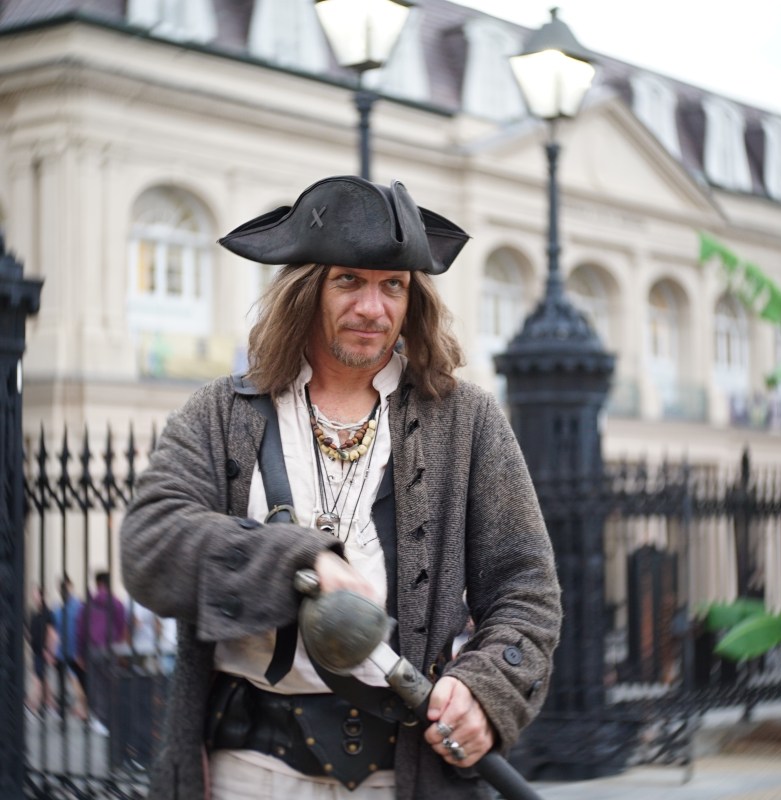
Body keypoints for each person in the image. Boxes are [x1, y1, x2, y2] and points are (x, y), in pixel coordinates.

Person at [121, 175, 562, 800]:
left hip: (403, 774)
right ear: (306, 291)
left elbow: (527, 590)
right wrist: (301, 563)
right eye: (348, 280)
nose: (373, 308)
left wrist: (485, 687)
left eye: (394, 285)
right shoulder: (219, 414)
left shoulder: (468, 421)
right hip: (250, 773)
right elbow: (149, 545)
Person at [76, 570, 127, 735]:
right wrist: (118, 644)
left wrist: (79, 653)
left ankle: (98, 719)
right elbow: (121, 626)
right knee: (111, 683)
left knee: (95, 684)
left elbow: (80, 630)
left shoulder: (88, 604)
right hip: (110, 648)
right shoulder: (117, 603)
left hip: (91, 648)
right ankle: (112, 719)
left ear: (97, 584)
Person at [53, 576, 87, 720]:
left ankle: (77, 708)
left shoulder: (61, 609)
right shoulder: (78, 607)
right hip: (71, 652)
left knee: (73, 682)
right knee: (78, 682)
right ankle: (82, 709)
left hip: (68, 652)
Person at [26, 584, 58, 717]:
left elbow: (53, 635)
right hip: (36, 651)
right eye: (33, 595)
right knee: (43, 679)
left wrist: (50, 651)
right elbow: (30, 633)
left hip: (43, 652)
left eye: (36, 595)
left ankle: (30, 706)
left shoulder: (48, 613)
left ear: (42, 596)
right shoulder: (34, 614)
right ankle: (53, 706)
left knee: (36, 680)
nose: (34, 598)